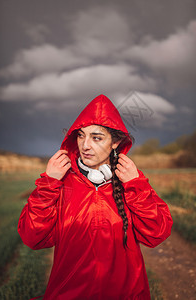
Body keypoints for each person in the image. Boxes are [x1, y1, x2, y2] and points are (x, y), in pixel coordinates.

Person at [18, 94, 173, 300]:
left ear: (115, 142)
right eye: (81, 135)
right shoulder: (60, 182)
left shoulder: (132, 181)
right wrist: (49, 184)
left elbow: (157, 233)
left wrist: (135, 186)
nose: (85, 145)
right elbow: (32, 237)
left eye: (96, 137)